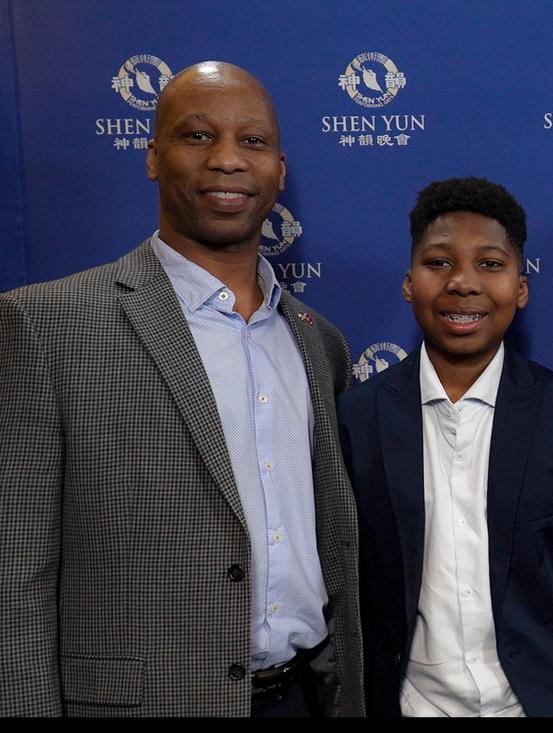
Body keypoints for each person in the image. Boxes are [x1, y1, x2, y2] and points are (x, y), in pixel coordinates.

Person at [0, 61, 363, 717]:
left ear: (279, 170)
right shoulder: (44, 326)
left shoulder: (318, 341)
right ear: (152, 156)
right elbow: (11, 575)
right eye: (198, 136)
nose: (227, 159)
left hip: (308, 697)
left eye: (251, 142)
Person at [337, 177, 553, 717]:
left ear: (521, 288)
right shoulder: (357, 419)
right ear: (408, 284)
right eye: (439, 263)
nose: (463, 284)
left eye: (490, 265)